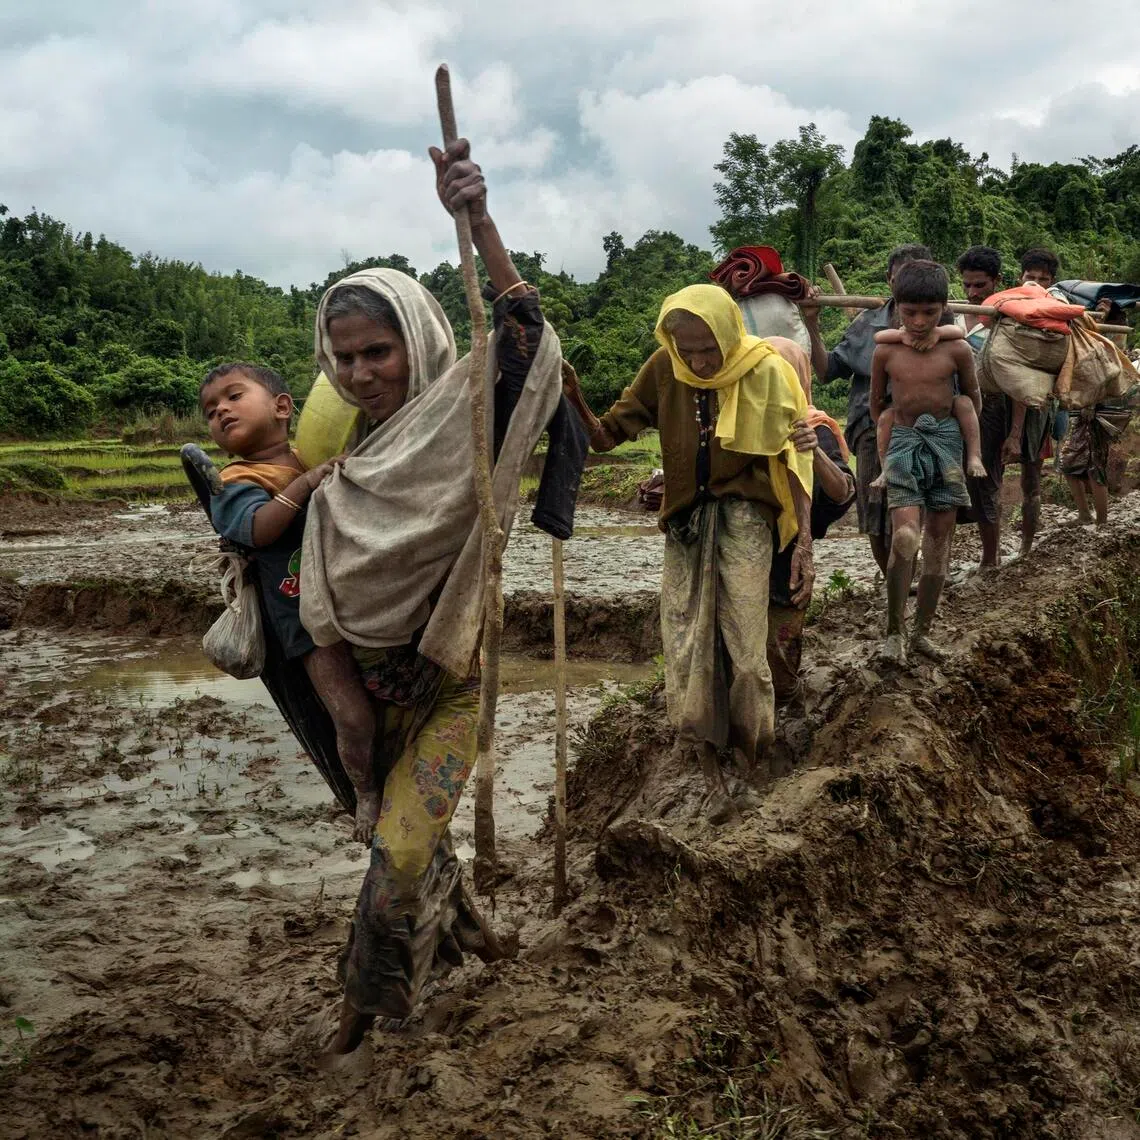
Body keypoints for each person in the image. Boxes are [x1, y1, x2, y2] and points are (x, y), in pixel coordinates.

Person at [297, 137, 584, 1056]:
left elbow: (529, 342)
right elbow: (299, 586)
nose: (360, 373)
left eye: (376, 350)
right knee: (409, 841)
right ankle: (475, 936)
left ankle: (358, 1015)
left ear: (414, 340)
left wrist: (477, 217)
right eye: (343, 358)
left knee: (400, 854)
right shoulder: (341, 456)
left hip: (446, 684)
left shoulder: (466, 418)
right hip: (357, 688)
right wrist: (341, 711)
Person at [561, 285, 815, 819]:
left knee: (747, 650)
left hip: (747, 518)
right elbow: (606, 437)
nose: (698, 361)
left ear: (728, 332)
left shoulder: (766, 372)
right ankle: (705, 760)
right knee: (687, 646)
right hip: (685, 525)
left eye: (708, 349)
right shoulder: (663, 368)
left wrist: (803, 547)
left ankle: (755, 758)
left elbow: (796, 461)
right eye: (686, 349)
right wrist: (572, 395)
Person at [199, 364, 382, 845]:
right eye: (210, 411)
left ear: (282, 407)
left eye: (233, 396)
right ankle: (365, 792)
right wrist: (306, 484)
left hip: (352, 599)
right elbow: (258, 529)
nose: (220, 410)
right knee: (352, 716)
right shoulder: (236, 479)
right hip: (302, 619)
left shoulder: (313, 455)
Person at [804, 243, 955, 574]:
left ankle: (916, 577)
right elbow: (827, 370)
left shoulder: (945, 325)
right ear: (891, 282)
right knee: (876, 508)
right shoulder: (867, 325)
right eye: (904, 276)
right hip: (873, 425)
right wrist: (811, 323)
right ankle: (893, 580)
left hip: (929, 426)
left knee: (924, 504)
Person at [870, 261, 979, 665]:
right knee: (904, 539)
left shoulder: (957, 349)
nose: (918, 321)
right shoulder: (886, 351)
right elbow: (876, 402)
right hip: (903, 444)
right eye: (909, 311)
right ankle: (894, 631)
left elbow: (970, 398)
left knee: (937, 547)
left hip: (946, 444)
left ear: (943, 309)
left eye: (929, 313)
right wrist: (888, 440)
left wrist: (968, 445)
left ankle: (922, 632)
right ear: (896, 306)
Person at [763, 336, 854, 705]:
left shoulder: (816, 428)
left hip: (788, 556)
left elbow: (843, 492)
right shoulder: (742, 423)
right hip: (745, 545)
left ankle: (789, 709)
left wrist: (812, 453)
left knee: (779, 654)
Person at [868, 323, 984, 489]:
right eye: (911, 314)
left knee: (964, 402)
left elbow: (959, 331)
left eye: (927, 313)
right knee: (886, 416)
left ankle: (975, 456)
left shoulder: (951, 343)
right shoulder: (897, 340)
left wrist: (937, 333)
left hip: (943, 420)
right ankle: (886, 468)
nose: (919, 322)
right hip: (905, 423)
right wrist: (903, 335)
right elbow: (878, 336)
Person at [955, 245, 1008, 568]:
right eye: (967, 286)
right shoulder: (954, 313)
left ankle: (990, 559)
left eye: (980, 285)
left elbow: (1015, 381)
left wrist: (1014, 433)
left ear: (996, 281)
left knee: (984, 484)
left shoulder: (1007, 319)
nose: (973, 293)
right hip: (954, 408)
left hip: (991, 410)